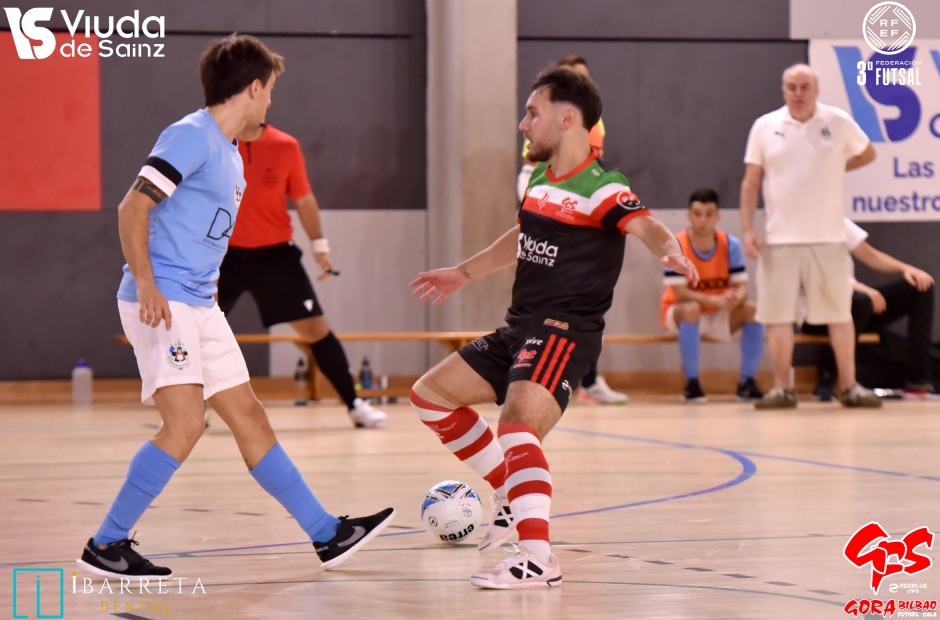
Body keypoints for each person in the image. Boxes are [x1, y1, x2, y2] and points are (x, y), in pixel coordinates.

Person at [76, 35, 394, 580]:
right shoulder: (190, 135)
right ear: (252, 88)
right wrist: (148, 284)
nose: (270, 102)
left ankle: (327, 534)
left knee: (250, 418)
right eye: (269, 90)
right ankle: (106, 544)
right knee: (184, 426)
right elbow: (132, 207)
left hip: (200, 305)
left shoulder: (227, 152)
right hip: (165, 301)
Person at [409, 66, 698, 589]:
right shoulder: (540, 178)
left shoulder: (604, 187)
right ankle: (508, 491)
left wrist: (671, 251)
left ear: (567, 119)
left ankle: (539, 559)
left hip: (564, 331)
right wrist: (463, 273)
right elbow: (521, 236)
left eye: (532, 113)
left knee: (518, 426)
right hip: (519, 327)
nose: (523, 124)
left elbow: (647, 225)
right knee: (430, 396)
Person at [217, 118, 387, 428]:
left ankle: (354, 404)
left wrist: (320, 246)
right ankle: (189, 412)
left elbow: (304, 198)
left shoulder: (285, 146)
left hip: (275, 257)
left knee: (315, 329)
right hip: (222, 255)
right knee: (197, 329)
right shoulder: (214, 141)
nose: (265, 100)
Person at [740, 63, 881, 409]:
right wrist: (747, 229)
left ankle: (849, 387)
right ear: (783, 90)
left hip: (829, 238)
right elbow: (751, 181)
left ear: (816, 90)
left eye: (805, 87)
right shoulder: (764, 126)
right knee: (778, 316)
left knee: (840, 315)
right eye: (791, 87)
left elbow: (867, 152)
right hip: (779, 240)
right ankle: (782, 389)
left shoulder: (838, 121)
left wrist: (835, 167)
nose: (798, 93)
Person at [517, 55, 625, 405]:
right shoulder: (544, 116)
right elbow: (537, 161)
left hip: (582, 191)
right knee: (551, 282)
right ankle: (539, 370)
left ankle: (585, 377)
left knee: (584, 292)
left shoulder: (594, 121)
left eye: (585, 77)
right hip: (550, 189)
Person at [803, 218, 935, 400]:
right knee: (860, 301)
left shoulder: (835, 219)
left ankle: (916, 379)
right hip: (814, 315)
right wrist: (858, 288)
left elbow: (869, 255)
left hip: (857, 306)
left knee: (920, 288)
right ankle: (828, 381)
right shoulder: (796, 227)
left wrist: (906, 269)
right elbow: (808, 277)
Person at [661, 188, 765, 403]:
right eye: (697, 214)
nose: (703, 220)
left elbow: (742, 287)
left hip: (718, 312)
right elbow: (680, 294)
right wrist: (713, 300)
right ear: (689, 216)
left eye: (709, 214)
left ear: (717, 216)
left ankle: (747, 382)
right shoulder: (676, 245)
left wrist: (735, 299)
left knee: (754, 310)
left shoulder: (730, 244)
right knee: (691, 309)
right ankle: (692, 384)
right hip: (681, 313)